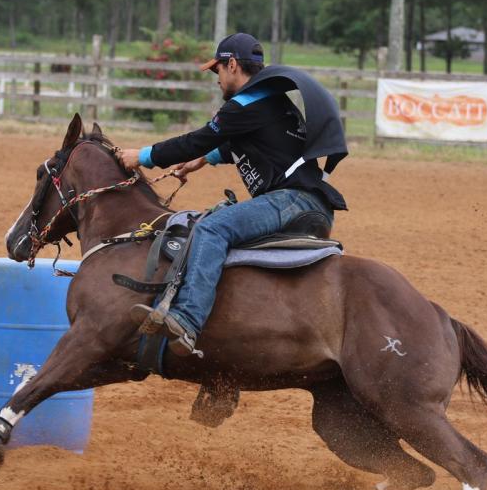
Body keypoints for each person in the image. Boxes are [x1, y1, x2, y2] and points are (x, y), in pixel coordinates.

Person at [118, 32, 348, 357]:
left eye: (217, 69)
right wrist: (203, 160)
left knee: (212, 228)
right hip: (309, 202)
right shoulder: (269, 100)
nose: (217, 78)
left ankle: (187, 319)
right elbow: (247, 142)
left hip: (292, 201)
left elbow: (198, 139)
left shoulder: (243, 105)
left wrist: (142, 156)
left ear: (233, 65)